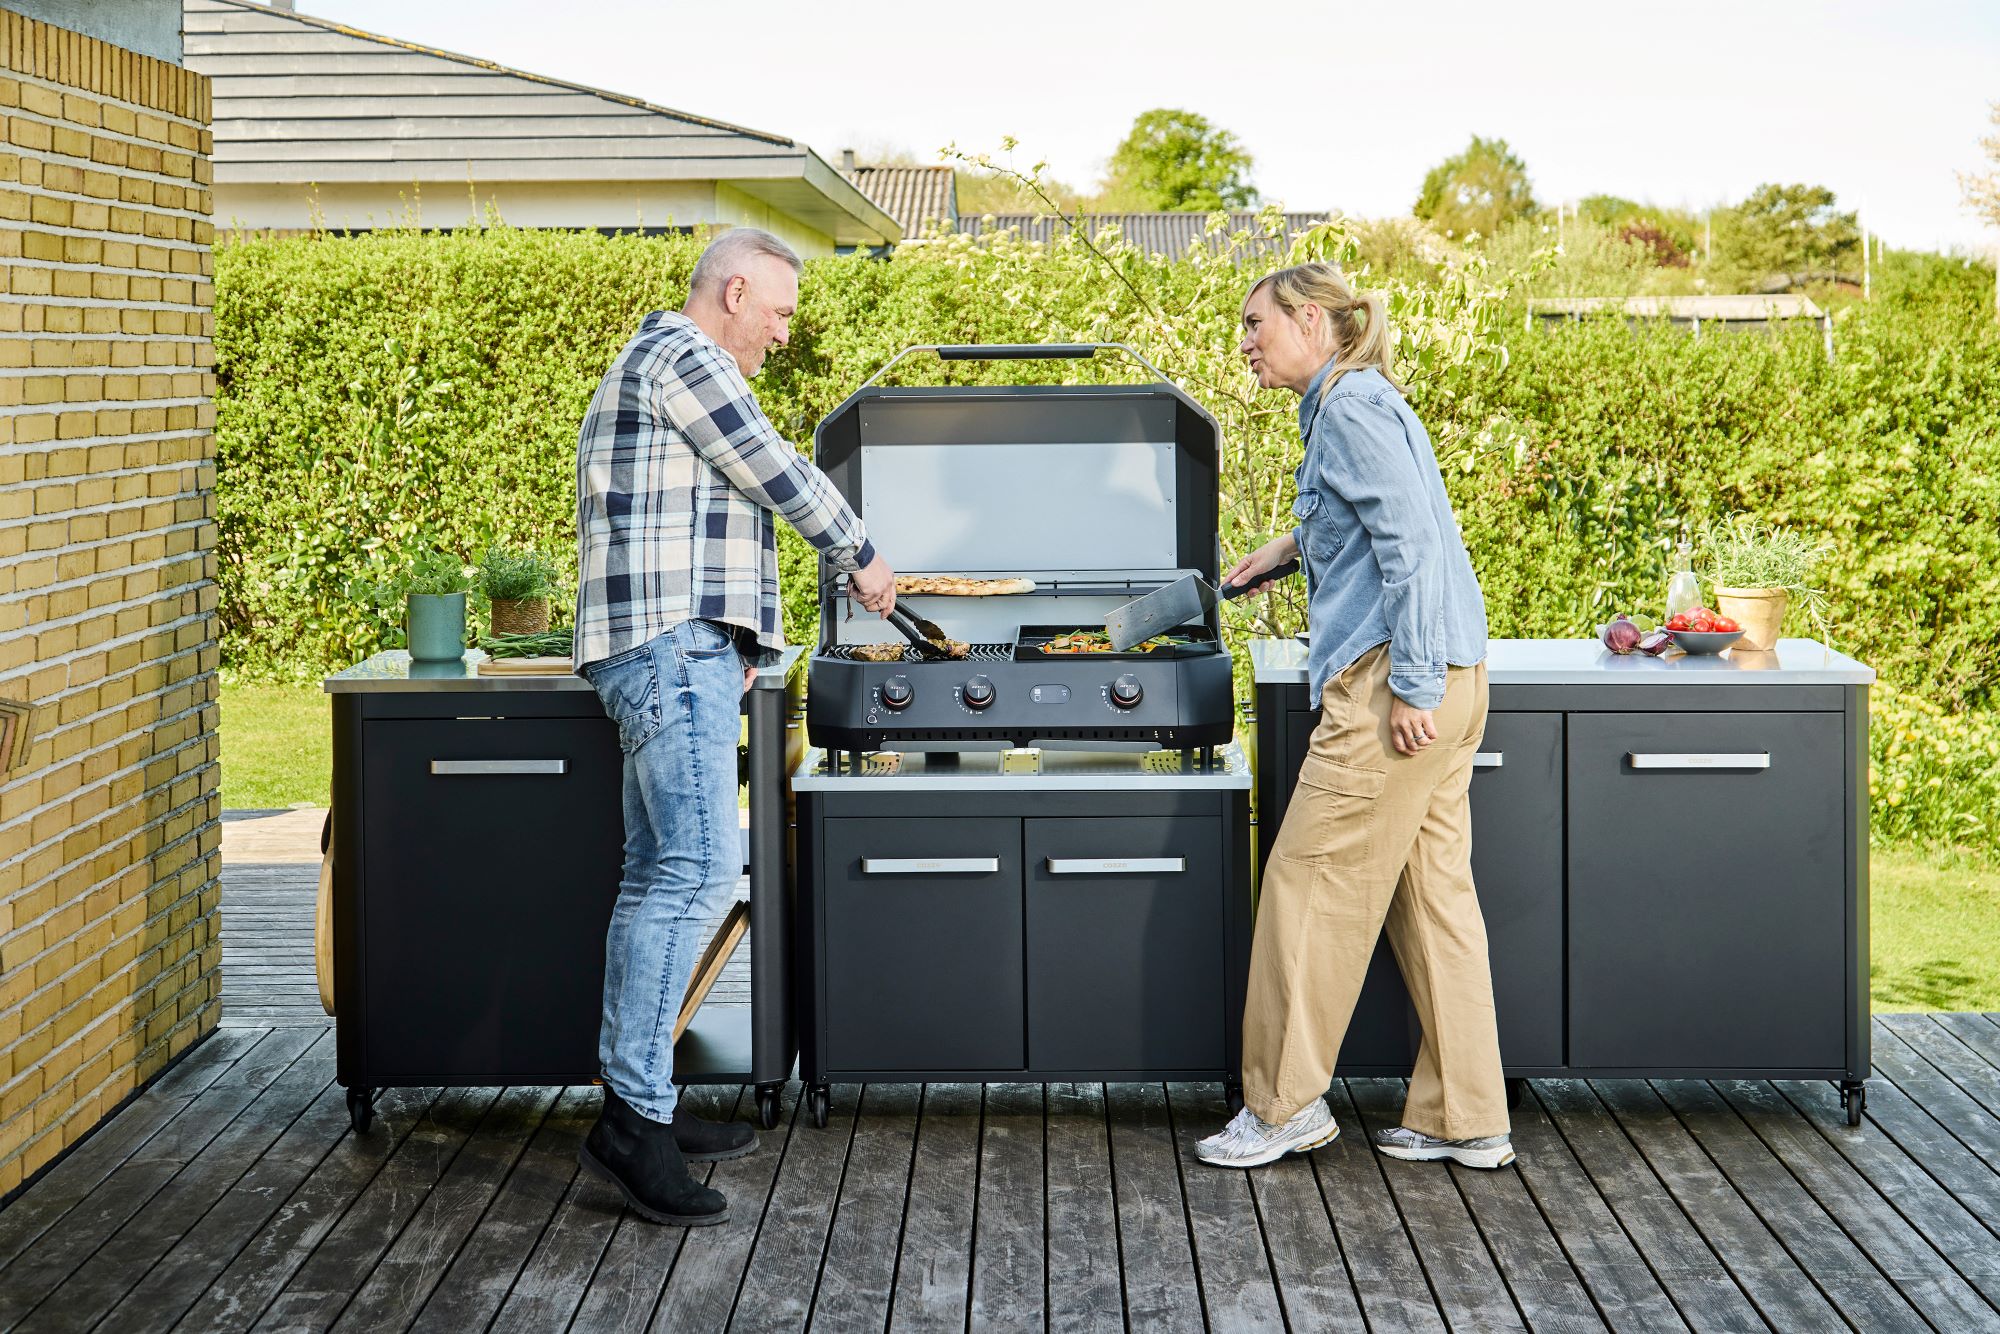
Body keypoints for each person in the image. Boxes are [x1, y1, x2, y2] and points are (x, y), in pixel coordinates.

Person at [572, 228, 896, 1224]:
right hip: (670, 651)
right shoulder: (685, 356)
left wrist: (742, 636)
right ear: (737, 292)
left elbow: (706, 516)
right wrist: (859, 551)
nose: (785, 334)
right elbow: (773, 469)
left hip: (670, 647)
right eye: (781, 313)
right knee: (699, 874)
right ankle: (633, 1121)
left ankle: (644, 1103)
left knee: (655, 875)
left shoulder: (657, 363)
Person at [1196, 263, 1514, 1171]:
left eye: (1255, 323)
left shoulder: (1348, 411)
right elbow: (1375, 524)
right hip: (1454, 674)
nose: (1245, 342)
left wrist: (1411, 683)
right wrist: (1285, 551)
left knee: (1304, 888)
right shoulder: (1358, 401)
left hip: (1393, 685)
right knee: (1433, 898)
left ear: (1309, 320)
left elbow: (1412, 545)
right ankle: (1466, 1116)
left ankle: (1282, 1107)